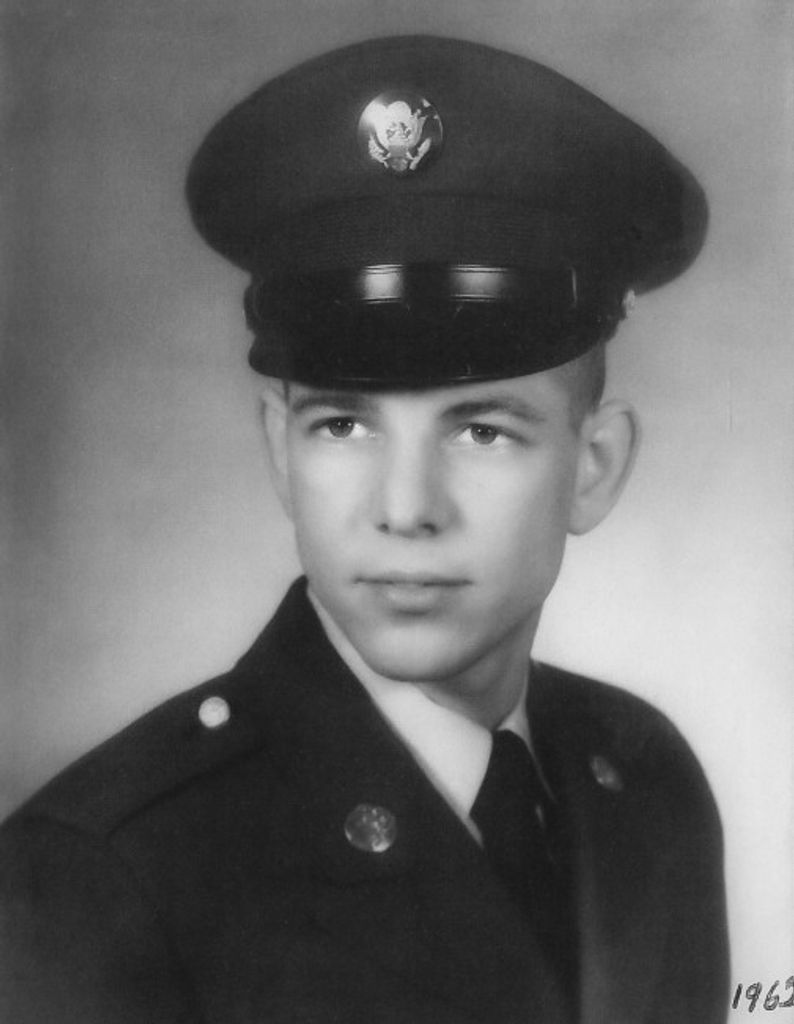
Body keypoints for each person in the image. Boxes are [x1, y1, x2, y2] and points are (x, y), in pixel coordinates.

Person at [0, 34, 729, 1024]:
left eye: (480, 430)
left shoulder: (643, 783)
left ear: (592, 468)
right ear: (280, 453)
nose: (404, 506)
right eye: (342, 425)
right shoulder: (102, 873)